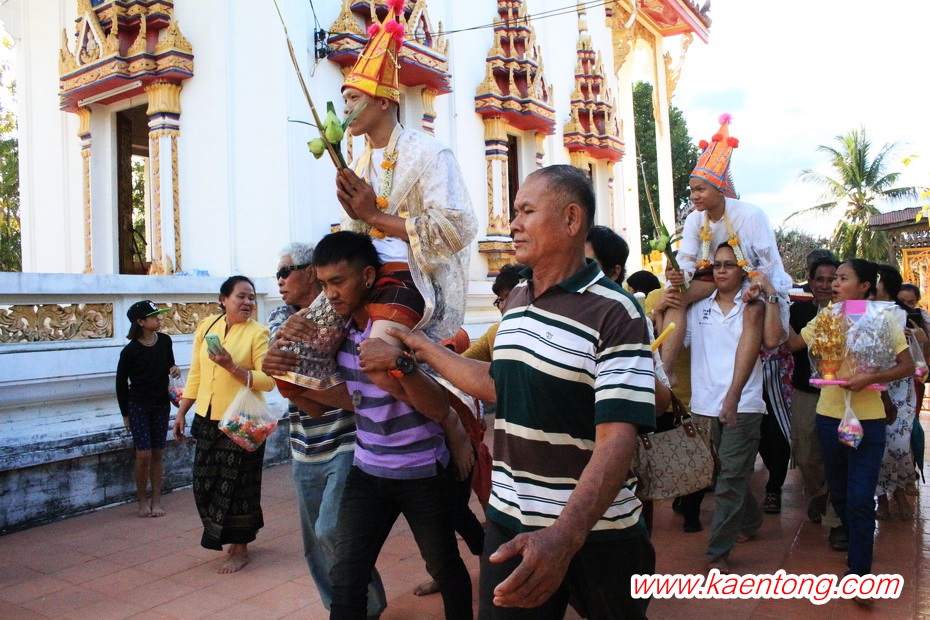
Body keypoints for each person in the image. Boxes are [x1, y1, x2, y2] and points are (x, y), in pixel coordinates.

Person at [392, 165, 657, 618]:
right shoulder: (516, 298)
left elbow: (617, 439)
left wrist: (564, 537)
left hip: (598, 531)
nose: (512, 224)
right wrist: (420, 347)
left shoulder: (617, 312)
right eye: (514, 212)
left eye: (526, 211)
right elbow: (501, 384)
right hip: (510, 519)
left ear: (571, 219)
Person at [284, 231, 473, 620]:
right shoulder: (339, 335)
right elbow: (322, 404)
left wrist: (400, 364)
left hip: (421, 470)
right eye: (324, 284)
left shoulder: (398, 329)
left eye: (338, 281)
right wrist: (283, 370)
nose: (330, 294)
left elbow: (436, 406)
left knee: (443, 566)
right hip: (368, 469)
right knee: (346, 579)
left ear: (369, 276)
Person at [331, 0, 476, 401]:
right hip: (362, 274)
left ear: (384, 101)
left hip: (410, 276)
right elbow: (358, 231)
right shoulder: (358, 162)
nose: (346, 108)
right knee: (298, 351)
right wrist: (354, 221)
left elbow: (457, 225)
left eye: (354, 98)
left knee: (376, 363)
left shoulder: (429, 152)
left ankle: (450, 418)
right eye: (344, 101)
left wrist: (373, 215)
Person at [265, 243, 387, 616]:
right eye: (278, 274)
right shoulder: (280, 318)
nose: (280, 280)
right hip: (304, 444)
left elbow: (297, 383)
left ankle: (366, 607)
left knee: (331, 529)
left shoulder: (342, 312)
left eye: (286, 271)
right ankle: (342, 608)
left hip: (348, 439)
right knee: (315, 544)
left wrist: (297, 383)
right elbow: (297, 387)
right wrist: (296, 381)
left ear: (310, 272)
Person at [799, 259, 913, 589]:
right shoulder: (825, 318)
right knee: (840, 492)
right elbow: (794, 344)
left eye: (843, 278)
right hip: (829, 417)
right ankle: (852, 535)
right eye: (834, 278)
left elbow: (907, 366)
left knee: (861, 497)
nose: (835, 284)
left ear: (864, 287)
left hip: (869, 420)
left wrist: (870, 379)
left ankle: (860, 572)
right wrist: (770, 300)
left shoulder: (882, 320)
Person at [656, 114, 791, 384]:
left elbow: (767, 264)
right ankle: (665, 372)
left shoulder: (751, 215)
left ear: (720, 190)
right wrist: (679, 276)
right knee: (675, 297)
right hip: (712, 276)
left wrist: (756, 287)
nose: (694, 196)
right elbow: (688, 261)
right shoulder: (695, 219)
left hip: (750, 278)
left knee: (753, 310)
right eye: (692, 190)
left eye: (700, 190)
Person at [686, 243, 782, 574]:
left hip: (745, 403)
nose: (722, 270)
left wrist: (770, 293)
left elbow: (773, 340)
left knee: (729, 479)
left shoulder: (753, 305)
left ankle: (718, 554)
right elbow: (676, 337)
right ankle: (751, 518)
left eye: (729, 264)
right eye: (717, 265)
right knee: (721, 474)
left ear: (742, 270)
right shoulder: (698, 308)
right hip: (703, 404)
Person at [172, 276, 275, 574]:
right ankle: (227, 536)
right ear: (224, 299)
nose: (247, 302)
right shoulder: (207, 327)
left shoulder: (258, 333)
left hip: (242, 422)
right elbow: (196, 373)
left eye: (251, 297)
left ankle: (240, 548)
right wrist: (182, 411)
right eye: (241, 296)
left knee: (239, 486)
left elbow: (268, 380)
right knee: (204, 484)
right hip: (207, 418)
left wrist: (231, 366)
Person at [787, 256, 840, 529]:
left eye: (832, 279)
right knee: (805, 454)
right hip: (806, 391)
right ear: (810, 281)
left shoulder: (850, 312)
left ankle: (836, 516)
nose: (825, 285)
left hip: (841, 394)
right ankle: (819, 494)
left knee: (839, 454)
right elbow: (790, 344)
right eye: (820, 279)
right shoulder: (797, 310)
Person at [115, 300, 179, 518]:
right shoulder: (130, 351)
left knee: (158, 453)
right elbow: (121, 384)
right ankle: (142, 500)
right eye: (153, 317)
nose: (158, 320)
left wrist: (175, 369)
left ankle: (157, 500)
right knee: (143, 454)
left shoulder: (165, 341)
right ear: (140, 322)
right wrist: (125, 414)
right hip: (138, 406)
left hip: (161, 404)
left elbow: (170, 366)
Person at [874, 263, 919, 520]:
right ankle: (882, 499)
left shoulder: (901, 314)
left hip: (899, 385)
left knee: (899, 444)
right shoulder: (861, 309)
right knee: (878, 445)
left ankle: (900, 491)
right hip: (873, 384)